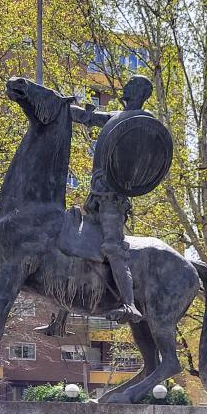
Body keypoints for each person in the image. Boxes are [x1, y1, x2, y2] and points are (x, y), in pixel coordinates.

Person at [70, 75, 155, 323]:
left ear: (139, 91)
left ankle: (130, 306)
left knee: (113, 249)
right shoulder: (115, 117)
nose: (125, 87)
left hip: (113, 199)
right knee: (78, 244)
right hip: (97, 195)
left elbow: (146, 156)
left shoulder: (144, 120)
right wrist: (60, 105)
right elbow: (87, 117)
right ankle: (62, 315)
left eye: (130, 84)